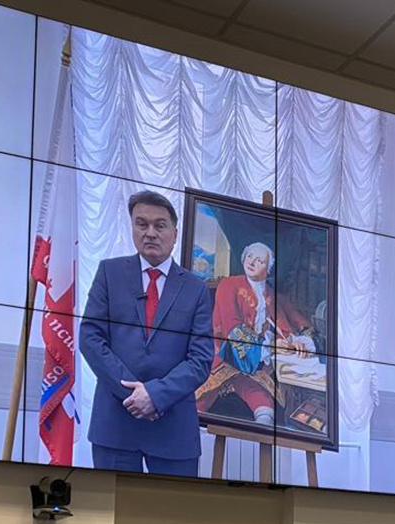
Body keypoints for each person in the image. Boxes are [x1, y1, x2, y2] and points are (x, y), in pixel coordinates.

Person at [80, 190, 215, 476]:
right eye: (142, 224)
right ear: (132, 228)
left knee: (174, 508)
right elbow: (90, 339)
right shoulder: (109, 273)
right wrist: (134, 396)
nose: (150, 233)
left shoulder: (197, 289)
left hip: (173, 432)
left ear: (174, 234)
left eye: (160, 225)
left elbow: (201, 360)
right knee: (112, 507)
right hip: (115, 426)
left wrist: (154, 395)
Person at [196, 242, 317, 427]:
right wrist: (269, 347)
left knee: (264, 402)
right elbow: (232, 329)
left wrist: (294, 342)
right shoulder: (229, 285)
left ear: (268, 270)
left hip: (256, 366)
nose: (252, 262)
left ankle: (262, 430)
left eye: (259, 260)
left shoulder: (271, 296)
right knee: (200, 401)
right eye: (250, 256)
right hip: (223, 357)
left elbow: (284, 328)